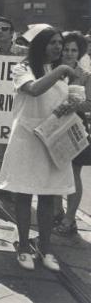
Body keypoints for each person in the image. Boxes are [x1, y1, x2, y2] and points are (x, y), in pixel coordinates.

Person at [0, 26, 75, 271]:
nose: (58, 48)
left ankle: (45, 246)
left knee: (48, 196)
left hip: (52, 140)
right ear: (40, 45)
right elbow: (34, 90)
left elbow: (65, 101)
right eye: (53, 43)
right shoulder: (22, 68)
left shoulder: (61, 73)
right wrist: (62, 69)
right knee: (23, 195)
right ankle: (22, 245)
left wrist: (69, 107)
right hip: (27, 140)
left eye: (59, 44)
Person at [52, 32, 91, 236]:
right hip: (54, 126)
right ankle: (58, 212)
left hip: (75, 127)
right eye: (66, 49)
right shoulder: (53, 70)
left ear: (79, 52)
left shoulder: (84, 75)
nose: (68, 53)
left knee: (73, 173)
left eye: (73, 50)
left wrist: (72, 105)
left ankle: (69, 220)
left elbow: (90, 103)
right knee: (55, 169)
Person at [0, 17, 28, 176]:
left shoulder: (23, 53)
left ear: (12, 33)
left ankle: (17, 186)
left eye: (4, 29)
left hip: (19, 106)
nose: (0, 32)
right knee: (1, 149)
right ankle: (3, 184)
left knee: (17, 149)